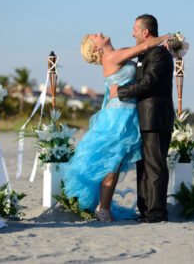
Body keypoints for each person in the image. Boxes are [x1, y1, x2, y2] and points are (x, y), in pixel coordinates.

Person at [63, 32, 170, 222]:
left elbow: (143, 61)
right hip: (118, 115)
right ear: (96, 47)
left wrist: (163, 49)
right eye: (96, 36)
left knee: (115, 163)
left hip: (126, 113)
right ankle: (103, 208)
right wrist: (167, 37)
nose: (100, 33)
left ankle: (103, 207)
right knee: (112, 163)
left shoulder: (119, 53)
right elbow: (144, 47)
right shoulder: (111, 57)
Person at [109, 14, 175, 223]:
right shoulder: (146, 54)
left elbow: (149, 82)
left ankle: (157, 213)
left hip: (155, 118)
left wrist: (119, 91)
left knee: (155, 166)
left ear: (145, 32)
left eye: (135, 30)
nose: (132, 33)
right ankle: (145, 209)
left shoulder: (159, 54)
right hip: (144, 119)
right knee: (144, 167)